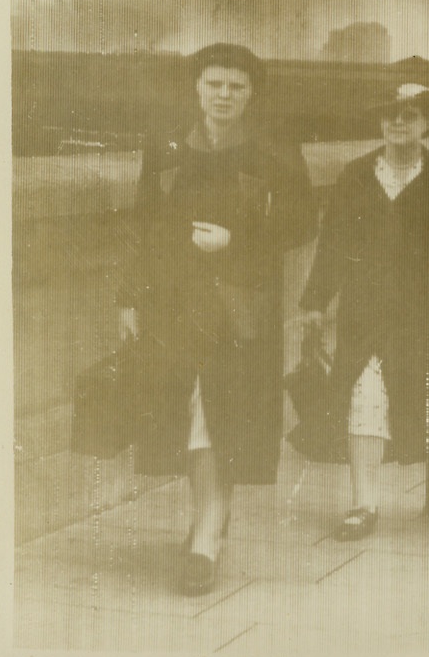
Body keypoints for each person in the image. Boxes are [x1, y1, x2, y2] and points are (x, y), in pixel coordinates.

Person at [117, 43, 316, 595]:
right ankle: (209, 516)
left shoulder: (273, 152)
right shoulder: (167, 146)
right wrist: (129, 297)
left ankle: (206, 535)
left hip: (241, 307)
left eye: (236, 86)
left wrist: (238, 239)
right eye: (214, 85)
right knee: (187, 410)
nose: (224, 95)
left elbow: (301, 222)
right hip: (174, 303)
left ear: (252, 94)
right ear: (196, 89)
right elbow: (141, 220)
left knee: (218, 411)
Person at [298, 82, 429, 541]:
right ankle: (363, 503)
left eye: (410, 113)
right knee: (364, 395)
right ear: (381, 121)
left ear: (427, 123)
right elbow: (332, 245)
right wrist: (315, 302)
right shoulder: (355, 176)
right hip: (367, 311)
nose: (399, 121)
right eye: (391, 113)